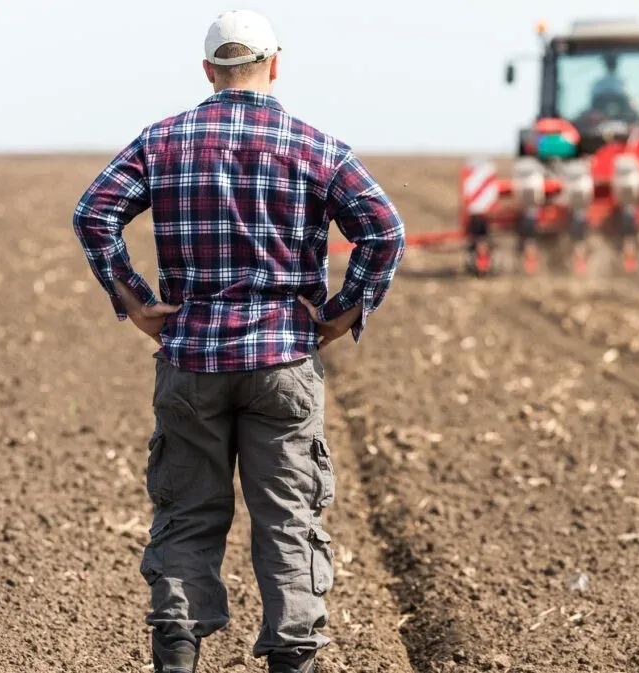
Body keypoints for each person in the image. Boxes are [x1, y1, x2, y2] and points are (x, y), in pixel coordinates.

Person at [71, 9, 405, 673]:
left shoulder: (163, 141)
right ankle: (293, 660)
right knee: (288, 518)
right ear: (274, 65)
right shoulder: (316, 145)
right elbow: (385, 230)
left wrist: (135, 302)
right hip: (284, 359)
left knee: (188, 515)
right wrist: (341, 315)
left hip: (191, 359)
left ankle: (177, 657)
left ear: (208, 71)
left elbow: (94, 213)